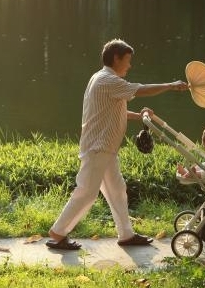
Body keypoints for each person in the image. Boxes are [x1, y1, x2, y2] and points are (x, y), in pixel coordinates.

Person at [46, 38, 189, 250]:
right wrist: (170, 85)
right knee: (86, 192)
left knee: (117, 191)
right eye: (128, 61)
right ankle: (58, 233)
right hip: (98, 147)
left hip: (106, 149)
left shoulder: (102, 78)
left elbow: (116, 111)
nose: (130, 66)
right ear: (116, 58)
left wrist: (139, 116)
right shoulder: (107, 80)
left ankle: (126, 235)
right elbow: (140, 89)